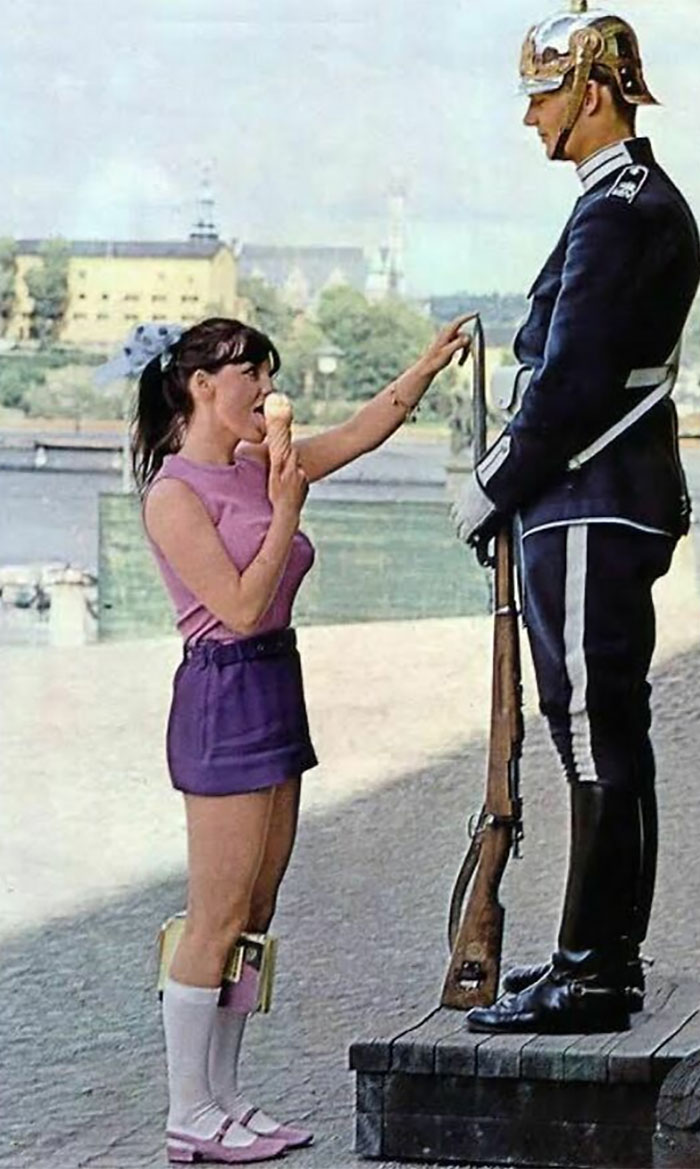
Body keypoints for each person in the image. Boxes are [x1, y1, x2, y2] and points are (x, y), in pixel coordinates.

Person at [103, 313, 469, 1164]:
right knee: (215, 914)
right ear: (202, 385)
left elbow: (362, 431)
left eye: (269, 375)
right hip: (223, 689)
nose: (268, 391)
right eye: (252, 376)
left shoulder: (260, 463)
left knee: (256, 911)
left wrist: (426, 365)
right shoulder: (174, 495)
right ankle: (187, 1108)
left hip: (276, 681)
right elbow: (237, 605)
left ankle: (224, 1094)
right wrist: (285, 511)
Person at [453, 0, 700, 1035]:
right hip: (595, 497)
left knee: (595, 733)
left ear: (592, 93)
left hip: (592, 497)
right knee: (601, 731)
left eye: (543, 95)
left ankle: (593, 970)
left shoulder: (620, 210)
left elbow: (571, 382)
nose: (531, 118)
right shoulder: (626, 201)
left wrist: (492, 483)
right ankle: (597, 958)